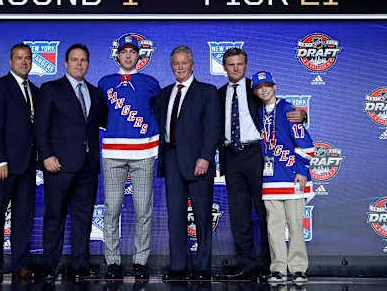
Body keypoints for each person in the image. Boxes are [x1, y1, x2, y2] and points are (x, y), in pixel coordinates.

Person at [218, 48, 306, 281]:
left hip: (258, 155)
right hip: (231, 155)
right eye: (230, 64)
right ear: (224, 67)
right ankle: (247, 266)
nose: (235, 68)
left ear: (246, 65)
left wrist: (302, 115)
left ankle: (270, 265)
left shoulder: (255, 88)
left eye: (239, 64)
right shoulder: (218, 94)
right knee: (239, 215)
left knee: (267, 213)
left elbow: (278, 107)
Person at [35, 43, 108, 281]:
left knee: (83, 218)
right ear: (65, 63)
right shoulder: (50, 89)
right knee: (54, 216)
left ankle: (80, 264)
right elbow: (40, 127)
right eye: (75, 60)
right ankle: (49, 265)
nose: (79, 64)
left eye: (83, 60)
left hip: (87, 167)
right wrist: (46, 155)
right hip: (59, 165)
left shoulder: (96, 93)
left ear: (88, 64)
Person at [154, 45, 221, 281]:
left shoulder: (207, 91)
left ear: (192, 65)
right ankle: (178, 266)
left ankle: (203, 267)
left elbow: (213, 128)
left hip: (198, 161)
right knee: (175, 216)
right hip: (171, 159)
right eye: (176, 63)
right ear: (171, 66)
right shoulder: (164, 94)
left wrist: (205, 157)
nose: (180, 67)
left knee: (202, 216)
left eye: (184, 63)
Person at [97, 35, 160, 280]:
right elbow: (101, 115)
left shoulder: (150, 82)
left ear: (138, 56)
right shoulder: (105, 83)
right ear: (117, 55)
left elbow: (157, 111)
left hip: (143, 153)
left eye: (132, 52)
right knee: (112, 209)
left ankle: (140, 261)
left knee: (143, 209)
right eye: (123, 52)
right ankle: (112, 261)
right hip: (113, 153)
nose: (127, 56)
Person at [251, 71, 314, 284]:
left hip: (293, 176)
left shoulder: (288, 110)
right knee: (274, 227)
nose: (264, 90)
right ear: (255, 91)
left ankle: (298, 268)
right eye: (260, 87)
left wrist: (302, 170)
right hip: (270, 178)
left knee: (296, 225)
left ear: (275, 86)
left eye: (267, 85)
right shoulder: (258, 113)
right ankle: (278, 268)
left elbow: (306, 145)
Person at [0, 43, 39, 281]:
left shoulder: (35, 90)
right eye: (19, 58)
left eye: (27, 58)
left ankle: (20, 264)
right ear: (10, 61)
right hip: (3, 165)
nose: (24, 62)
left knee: (23, 216)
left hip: (27, 165)